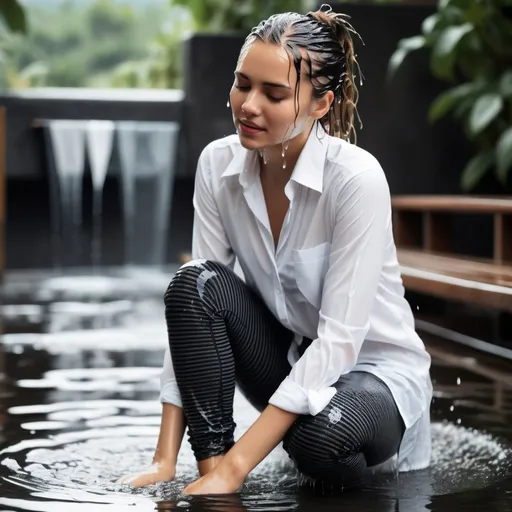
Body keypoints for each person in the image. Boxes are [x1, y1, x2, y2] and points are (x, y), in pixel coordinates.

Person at [117, 4, 432, 495]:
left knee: (318, 438)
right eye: (243, 84)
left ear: (320, 105)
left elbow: (340, 342)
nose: (249, 105)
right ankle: (210, 473)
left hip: (374, 377)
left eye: (274, 93)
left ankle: (235, 473)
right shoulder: (217, 165)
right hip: (291, 361)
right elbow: (193, 319)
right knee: (193, 284)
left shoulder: (355, 179)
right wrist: (165, 459)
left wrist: (239, 468)